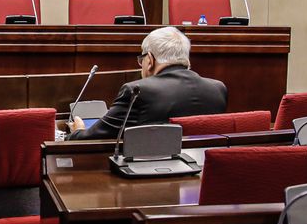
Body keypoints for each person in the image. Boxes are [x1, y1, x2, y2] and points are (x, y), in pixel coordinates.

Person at [67, 26, 227, 141]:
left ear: (149, 59)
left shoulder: (138, 91)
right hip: (200, 174)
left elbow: (94, 138)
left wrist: (77, 131)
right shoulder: (217, 89)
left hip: (150, 177)